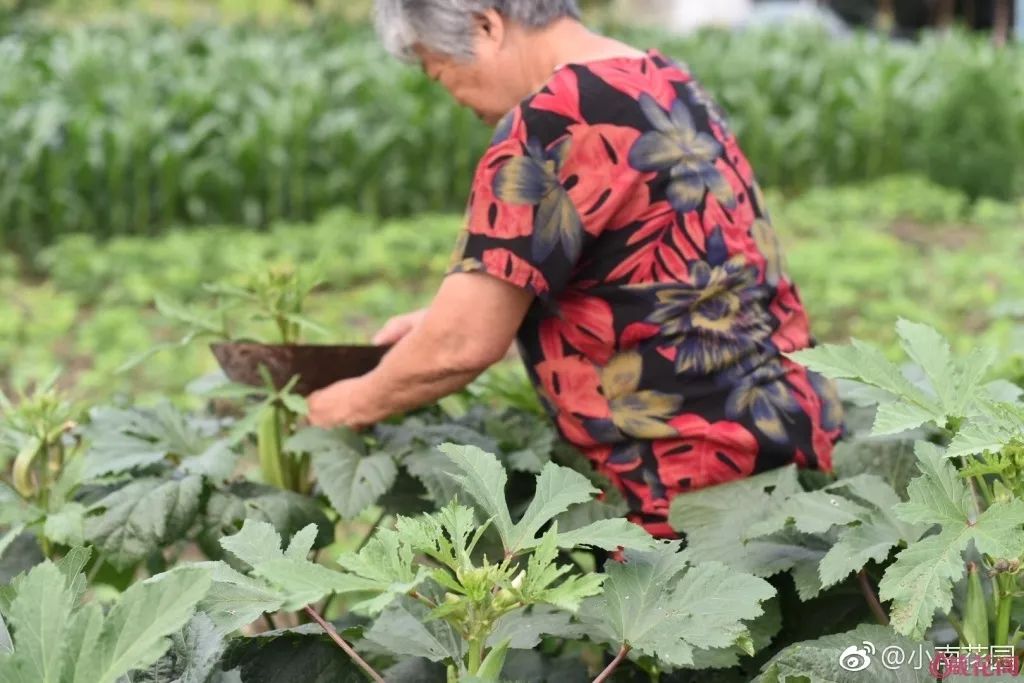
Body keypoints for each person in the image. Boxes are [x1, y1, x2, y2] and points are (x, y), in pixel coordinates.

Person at [307, 0, 844, 538]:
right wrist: (440, 317)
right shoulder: (663, 78)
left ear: (487, 25)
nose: (456, 98)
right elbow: (652, 258)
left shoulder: (549, 119)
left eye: (440, 71)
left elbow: (462, 344)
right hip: (790, 429)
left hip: (690, 483)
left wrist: (345, 405)